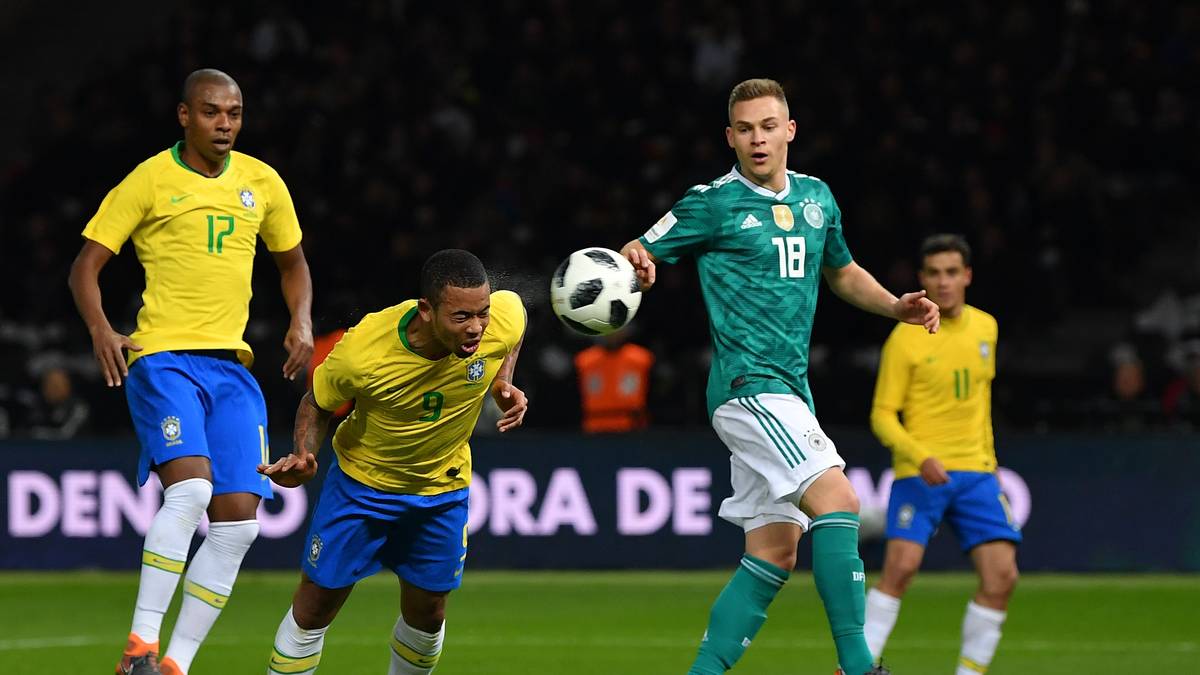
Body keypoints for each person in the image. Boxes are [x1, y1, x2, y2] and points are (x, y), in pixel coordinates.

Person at [620, 78, 938, 675]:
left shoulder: (818, 198)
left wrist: (895, 305)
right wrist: (634, 263)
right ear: (730, 138)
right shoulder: (710, 203)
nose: (757, 138)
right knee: (838, 499)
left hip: (790, 391)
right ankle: (859, 665)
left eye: (768, 126)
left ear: (789, 130)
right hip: (748, 385)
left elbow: (841, 274)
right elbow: (637, 251)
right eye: (745, 129)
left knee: (775, 551)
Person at [67, 69, 314, 675]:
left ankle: (173, 666)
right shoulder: (151, 179)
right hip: (163, 359)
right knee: (193, 489)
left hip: (232, 368)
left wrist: (301, 319)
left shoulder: (263, 182)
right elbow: (85, 267)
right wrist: (101, 328)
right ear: (184, 115)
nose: (224, 123)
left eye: (233, 113)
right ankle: (139, 648)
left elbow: (294, 264)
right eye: (211, 112)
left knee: (238, 527)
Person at [259, 249, 528, 675]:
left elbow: (514, 329)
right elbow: (318, 401)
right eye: (461, 317)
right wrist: (305, 454)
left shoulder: (503, 318)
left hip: (441, 490)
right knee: (316, 605)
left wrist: (502, 380)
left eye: (482, 313)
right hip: (361, 488)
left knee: (429, 612)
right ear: (426, 310)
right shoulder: (363, 352)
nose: (476, 327)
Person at [863, 234, 1020, 674]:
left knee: (1002, 578)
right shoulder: (905, 338)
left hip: (977, 473)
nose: (943, 282)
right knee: (901, 570)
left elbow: (979, 404)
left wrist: (989, 463)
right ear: (922, 279)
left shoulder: (986, 327)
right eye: (934, 273)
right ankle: (859, 666)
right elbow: (882, 415)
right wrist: (919, 454)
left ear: (967, 275)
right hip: (920, 472)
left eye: (952, 272)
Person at [574, 330, 654, 433]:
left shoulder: (641, 358)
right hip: (594, 426)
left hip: (631, 426)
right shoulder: (584, 360)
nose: (612, 335)